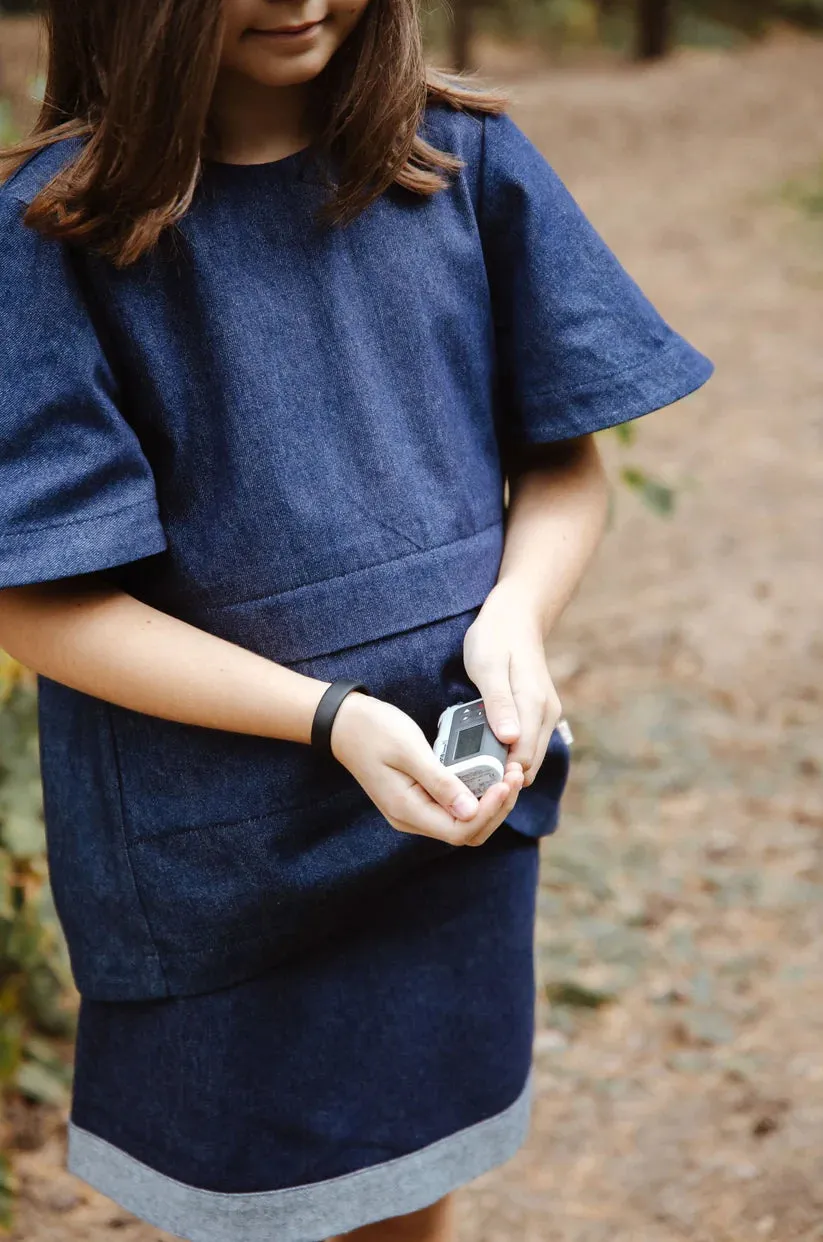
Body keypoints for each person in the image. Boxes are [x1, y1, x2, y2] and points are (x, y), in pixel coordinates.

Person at [0, 0, 713, 1238]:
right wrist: (326, 720)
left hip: (445, 814)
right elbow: (43, 606)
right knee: (254, 1208)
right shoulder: (50, 231)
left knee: (407, 1184)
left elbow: (564, 463)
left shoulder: (460, 158)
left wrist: (514, 617)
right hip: (214, 858)